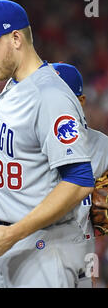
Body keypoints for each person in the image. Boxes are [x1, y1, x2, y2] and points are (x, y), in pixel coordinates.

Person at [0, 0, 94, 288]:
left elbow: (80, 180)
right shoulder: (12, 88)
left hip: (42, 248)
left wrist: (13, 232)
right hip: (4, 245)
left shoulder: (51, 96)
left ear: (16, 38)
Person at [52, 62, 108, 287]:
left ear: (80, 102)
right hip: (32, 254)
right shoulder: (24, 144)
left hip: (80, 260)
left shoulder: (103, 148)